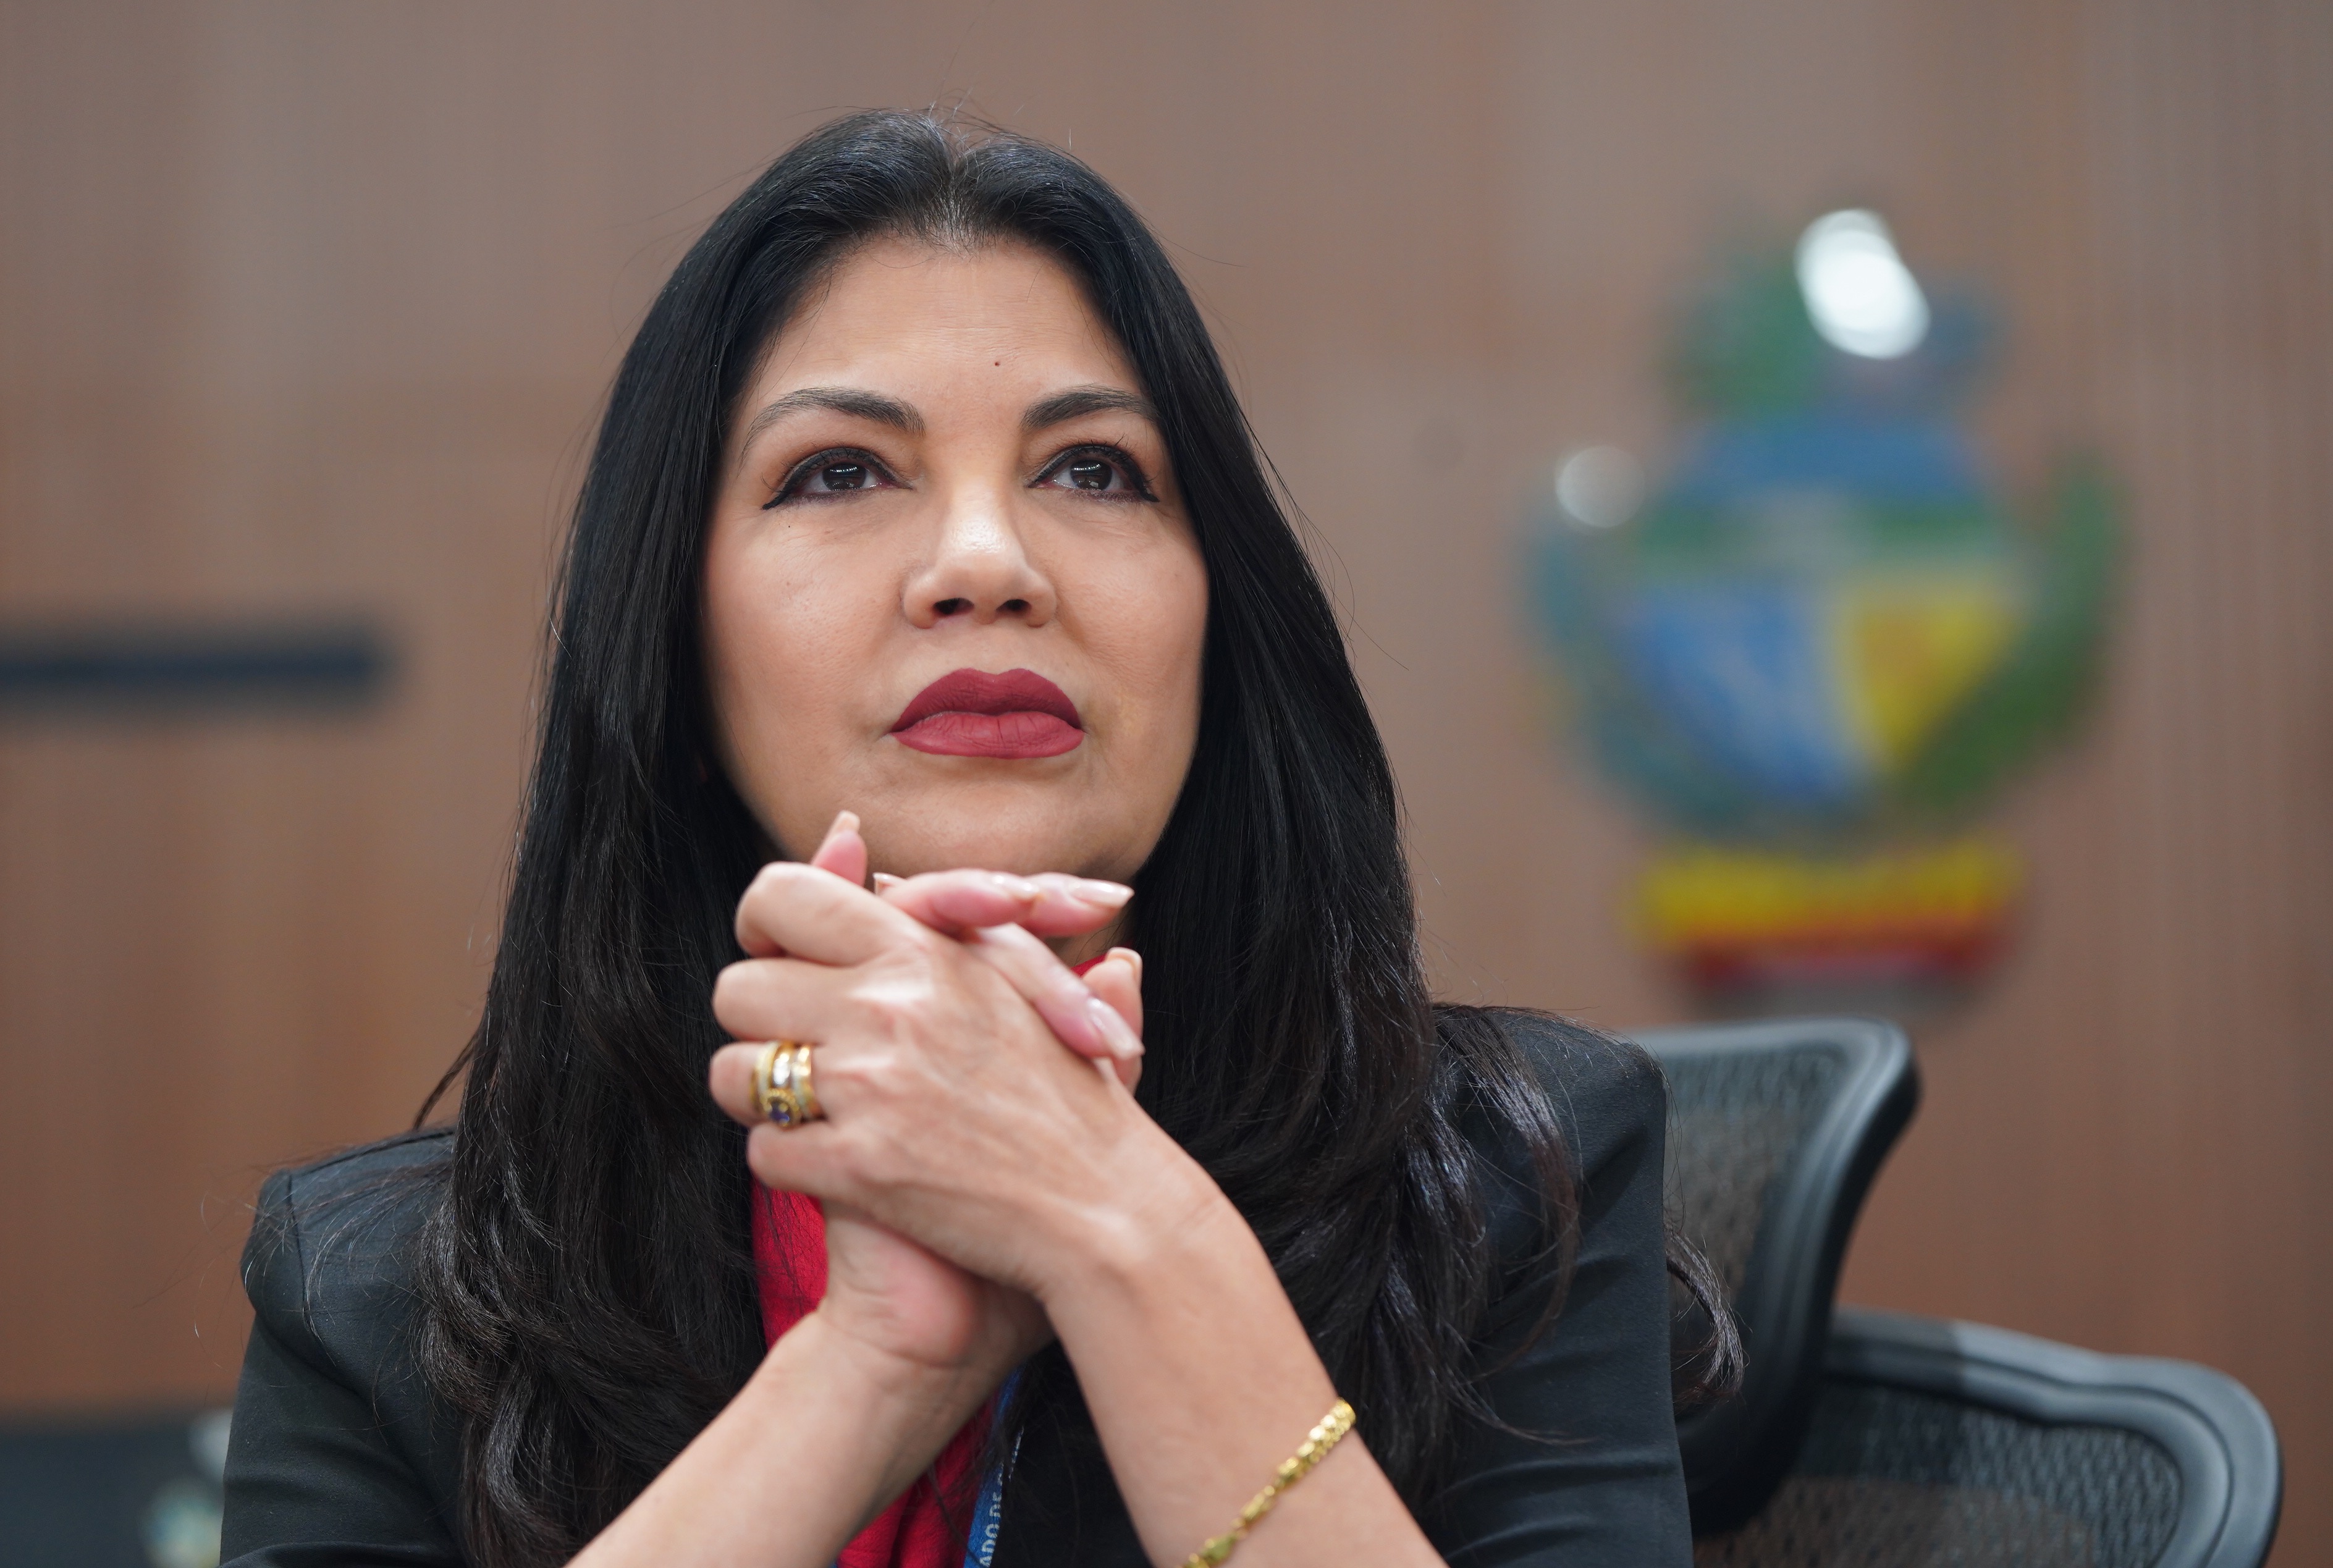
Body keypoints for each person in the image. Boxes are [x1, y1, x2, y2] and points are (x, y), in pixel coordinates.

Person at [219, 110, 1736, 1568]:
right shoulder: (371, 1292)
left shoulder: (1505, 1187)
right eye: (839, 472)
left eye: (1094, 470)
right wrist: (870, 1372)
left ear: (1220, 620)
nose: (985, 561)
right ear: (675, 651)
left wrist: (1117, 1222)